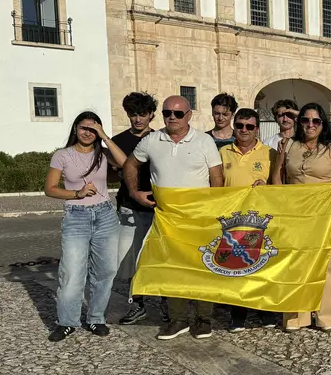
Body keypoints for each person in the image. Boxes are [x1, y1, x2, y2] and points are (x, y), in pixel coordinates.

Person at [124, 95, 225, 341]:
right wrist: (135, 192)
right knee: (173, 269)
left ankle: (203, 319)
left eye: (178, 113)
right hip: (168, 219)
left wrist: (216, 210)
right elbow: (130, 165)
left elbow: (217, 178)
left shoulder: (204, 141)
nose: (172, 117)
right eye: (168, 112)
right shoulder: (152, 140)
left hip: (200, 218)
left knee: (203, 267)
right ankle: (178, 319)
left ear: (189, 115)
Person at [271, 103, 331, 331]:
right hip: (297, 214)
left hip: (326, 214)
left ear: (323, 124)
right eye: (306, 120)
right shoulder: (288, 145)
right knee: (296, 263)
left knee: (330, 265)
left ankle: (328, 316)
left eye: (316, 121)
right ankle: (296, 316)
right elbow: (278, 178)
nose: (310, 125)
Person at [45, 112, 128, 342]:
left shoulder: (102, 154)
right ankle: (67, 322)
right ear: (75, 129)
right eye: (83, 127)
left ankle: (96, 318)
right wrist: (77, 193)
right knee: (72, 272)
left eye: (93, 129)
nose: (87, 133)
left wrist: (104, 135)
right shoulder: (62, 155)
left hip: (105, 215)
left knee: (106, 270)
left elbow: (125, 163)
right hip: (76, 216)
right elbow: (50, 188)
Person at [221, 107, 278, 332]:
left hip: (260, 220)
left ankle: (265, 311)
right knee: (237, 266)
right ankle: (238, 314)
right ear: (234, 127)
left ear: (257, 129)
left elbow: (279, 185)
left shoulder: (270, 153)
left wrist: (268, 187)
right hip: (232, 219)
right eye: (240, 125)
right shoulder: (223, 152)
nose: (244, 130)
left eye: (250, 126)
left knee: (262, 263)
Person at [112, 92, 161, 325]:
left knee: (159, 258)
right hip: (129, 208)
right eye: (133, 114)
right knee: (129, 258)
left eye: (142, 114)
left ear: (151, 114)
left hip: (158, 208)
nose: (138, 119)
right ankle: (137, 304)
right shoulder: (118, 141)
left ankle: (165, 303)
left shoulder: (161, 139)